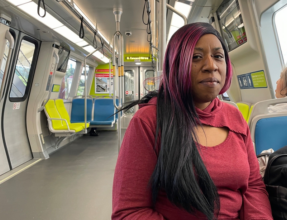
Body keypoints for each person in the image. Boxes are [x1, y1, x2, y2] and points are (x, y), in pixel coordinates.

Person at [112, 22, 272, 220]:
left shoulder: (234, 116)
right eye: (196, 57)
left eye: (218, 56)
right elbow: (129, 211)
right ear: (176, 65)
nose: (211, 66)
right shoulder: (149, 121)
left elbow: (253, 186)